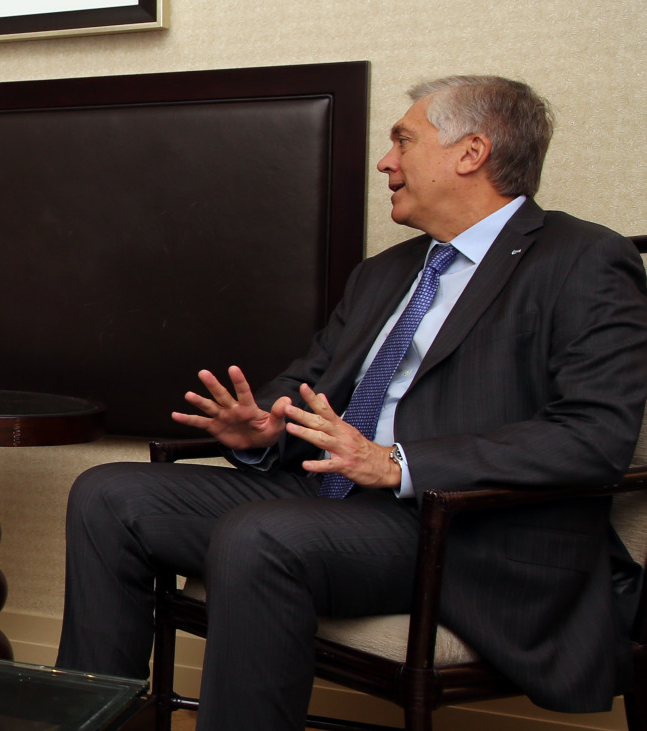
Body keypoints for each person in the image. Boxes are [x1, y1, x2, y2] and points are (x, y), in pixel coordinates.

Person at [55, 75, 647, 729]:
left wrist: (398, 463)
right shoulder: (385, 273)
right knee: (108, 495)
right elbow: (310, 380)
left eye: (404, 141)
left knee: (260, 535)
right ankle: (93, 724)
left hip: (459, 528)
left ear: (471, 152)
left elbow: (594, 435)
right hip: (332, 499)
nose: (386, 162)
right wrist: (265, 427)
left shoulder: (583, 259)